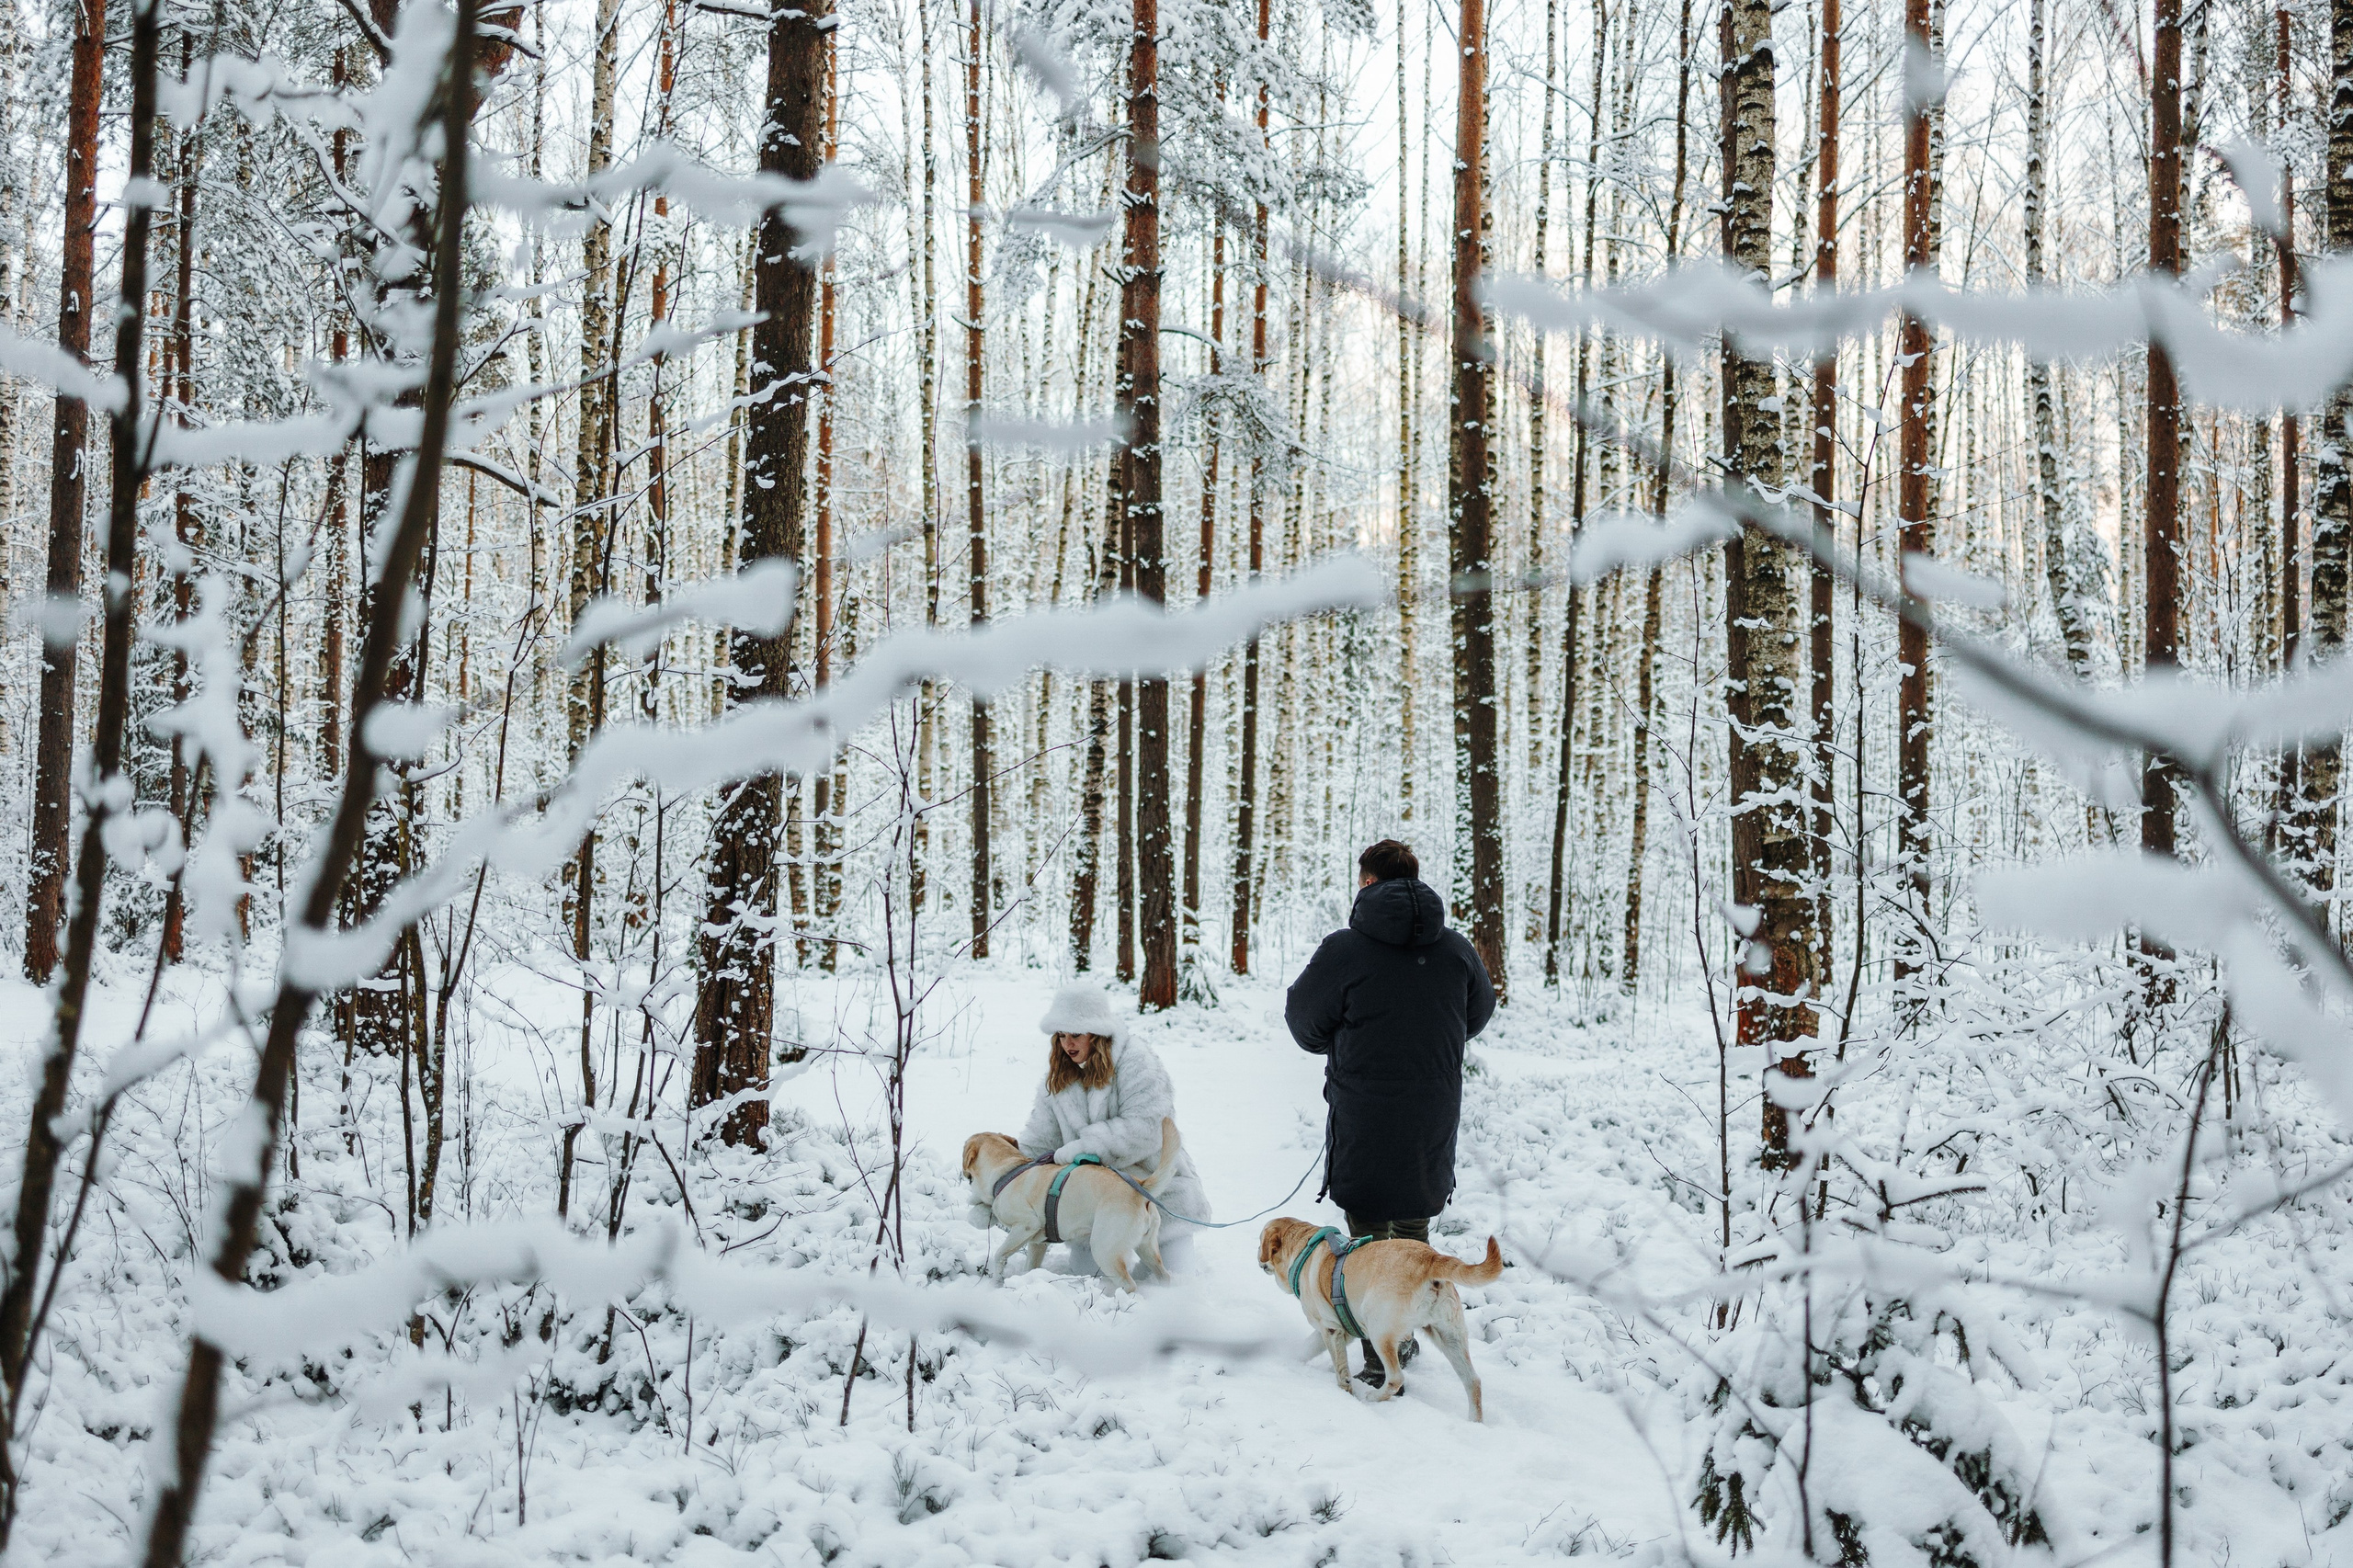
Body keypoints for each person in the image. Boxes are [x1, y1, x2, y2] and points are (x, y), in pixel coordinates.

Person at [1283, 838, 1495, 1386]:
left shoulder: (1345, 949)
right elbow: (1479, 1011)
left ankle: (1382, 1352)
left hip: (1364, 1103)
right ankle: (1408, 1324)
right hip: (1433, 1101)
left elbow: (1304, 1020)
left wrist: (1348, 1039)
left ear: (1368, 882)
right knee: (1414, 1213)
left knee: (1369, 1222)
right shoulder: (1454, 949)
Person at [1017, 984, 1211, 1275]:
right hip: (1094, 1204)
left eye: (1076, 1035)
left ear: (1096, 1033)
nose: (1067, 1044)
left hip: (1156, 1190)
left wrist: (1088, 1148)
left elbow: (1148, 1127)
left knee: (1174, 1284)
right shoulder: (1058, 1080)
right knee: (1089, 1287)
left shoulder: (1135, 1059)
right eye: (1061, 1035)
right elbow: (1040, 1141)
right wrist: (1008, 1170)